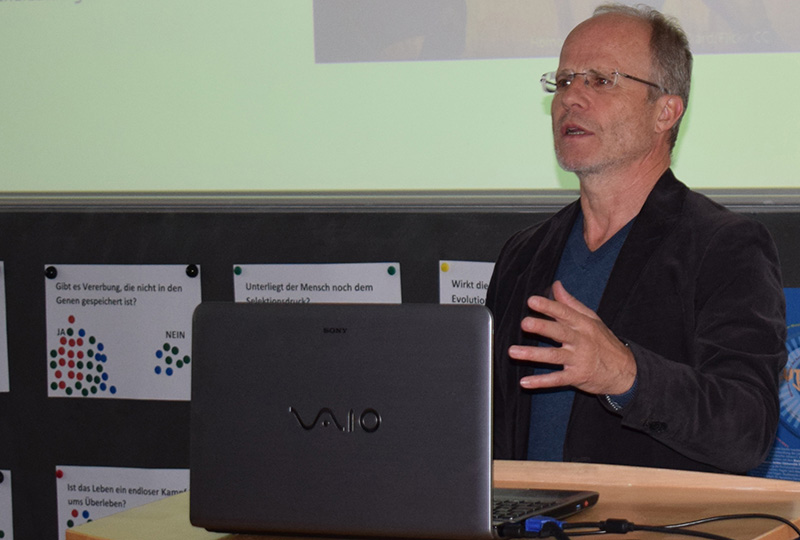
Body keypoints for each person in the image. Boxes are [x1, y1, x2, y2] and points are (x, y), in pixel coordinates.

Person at [485, 3, 786, 474]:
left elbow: (745, 431)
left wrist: (625, 375)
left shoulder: (726, 246)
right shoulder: (525, 253)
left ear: (665, 110)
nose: (571, 99)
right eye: (563, 81)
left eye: (601, 80)